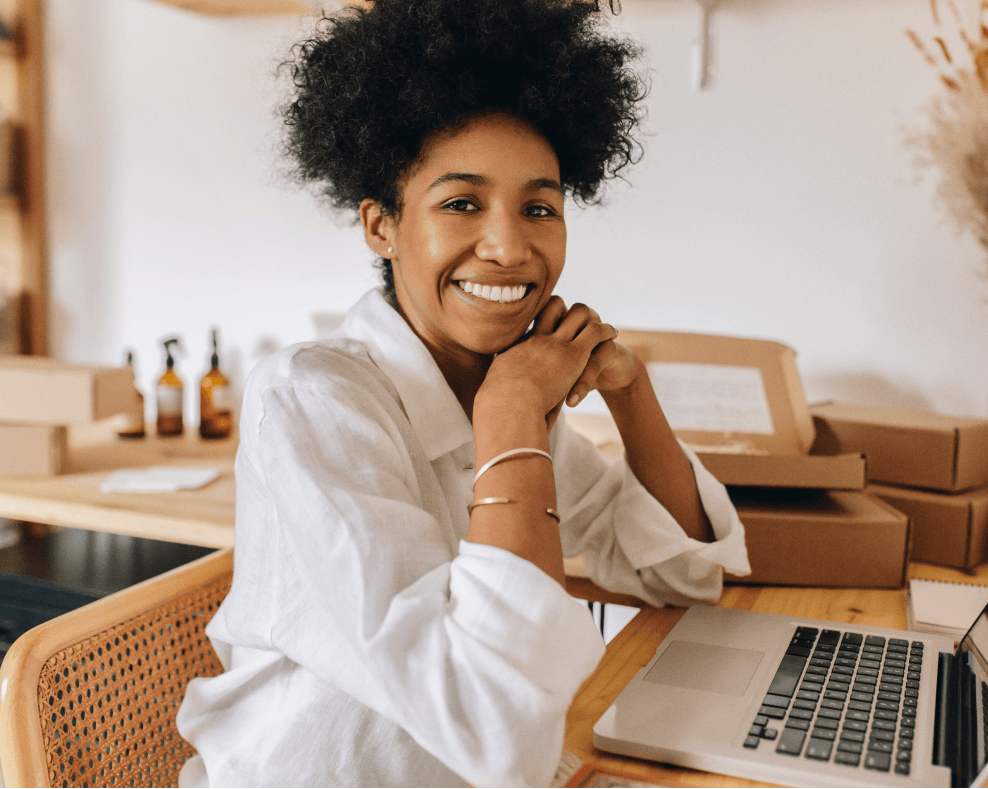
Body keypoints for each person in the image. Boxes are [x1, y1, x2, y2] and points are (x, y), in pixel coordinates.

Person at [177, 0, 750, 786]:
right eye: (461, 203)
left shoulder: (487, 381)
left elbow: (679, 573)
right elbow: (494, 728)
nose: (511, 246)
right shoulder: (314, 400)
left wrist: (630, 391)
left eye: (539, 207)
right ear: (381, 226)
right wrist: (512, 410)